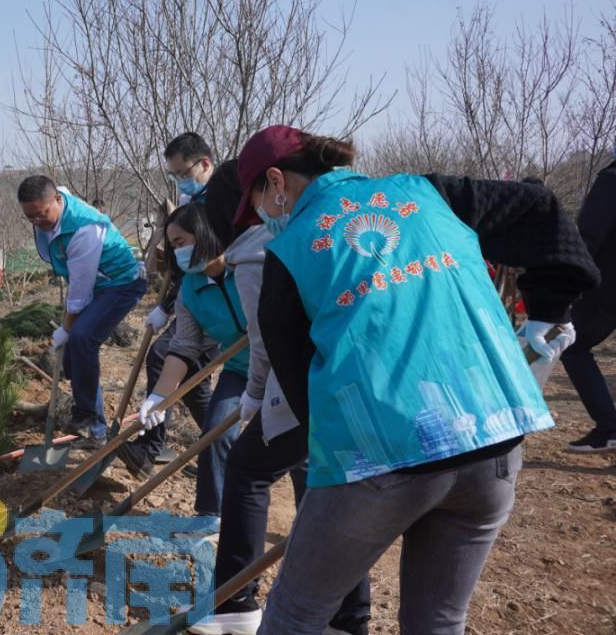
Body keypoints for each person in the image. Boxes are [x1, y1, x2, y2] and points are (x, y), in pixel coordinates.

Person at [230, 126, 597, 634]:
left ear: (276, 180)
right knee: (439, 621)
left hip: (381, 453)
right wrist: (549, 309)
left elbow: (298, 383)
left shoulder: (291, 250)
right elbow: (539, 207)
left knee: (296, 614)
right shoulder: (431, 193)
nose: (264, 220)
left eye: (258, 205)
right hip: (495, 439)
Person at [188, 161, 369, 635]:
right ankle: (349, 618)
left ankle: (235, 603)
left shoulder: (252, 252)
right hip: (350, 379)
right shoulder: (327, 226)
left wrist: (253, 395)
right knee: (331, 481)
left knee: (249, 470)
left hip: (306, 387)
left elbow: (264, 339)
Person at [126, 202, 248, 520]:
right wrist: (159, 397)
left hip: (280, 365)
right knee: (215, 430)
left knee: (297, 451)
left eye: (181, 243)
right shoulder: (190, 291)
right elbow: (183, 347)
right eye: (173, 246)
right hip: (238, 369)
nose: (177, 252)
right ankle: (210, 515)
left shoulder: (248, 267)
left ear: (205, 233)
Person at [18, 175, 147, 442]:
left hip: (121, 283)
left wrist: (66, 328)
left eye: (41, 215)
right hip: (98, 284)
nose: (36, 222)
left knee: (82, 338)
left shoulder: (83, 229)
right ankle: (94, 429)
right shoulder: (52, 204)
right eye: (29, 217)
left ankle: (89, 418)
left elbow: (79, 292)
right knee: (73, 354)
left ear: (56, 200)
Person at [123, 134, 220, 474]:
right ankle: (221, 447)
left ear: (204, 164)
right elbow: (183, 259)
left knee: (165, 354)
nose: (179, 180)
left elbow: (203, 257)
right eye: (174, 175)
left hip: (218, 299)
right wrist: (166, 304)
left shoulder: (221, 202)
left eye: (182, 173)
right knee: (193, 379)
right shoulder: (192, 198)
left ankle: (151, 448)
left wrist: (168, 306)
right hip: (195, 295)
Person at [561, 155, 616, 453]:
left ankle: (609, 428)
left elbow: (589, 235)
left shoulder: (612, 179)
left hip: (606, 288)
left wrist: (568, 272)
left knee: (573, 346)